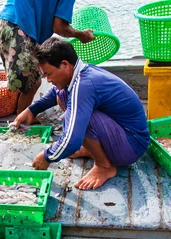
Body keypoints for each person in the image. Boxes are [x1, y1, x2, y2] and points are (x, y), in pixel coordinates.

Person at [14, 37, 150, 190]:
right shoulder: (80, 72)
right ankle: (92, 149)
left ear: (65, 64)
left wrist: (47, 156)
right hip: (122, 134)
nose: (48, 80)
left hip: (131, 145)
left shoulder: (84, 84)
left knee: (76, 118)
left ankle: (104, 166)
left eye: (49, 74)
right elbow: (55, 93)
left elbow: (71, 139)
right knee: (62, 95)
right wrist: (31, 110)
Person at [0, 0, 95, 116]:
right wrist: (81, 35)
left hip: (6, 22)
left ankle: (22, 118)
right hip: (20, 26)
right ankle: (18, 126)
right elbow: (59, 27)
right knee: (31, 83)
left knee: (25, 81)